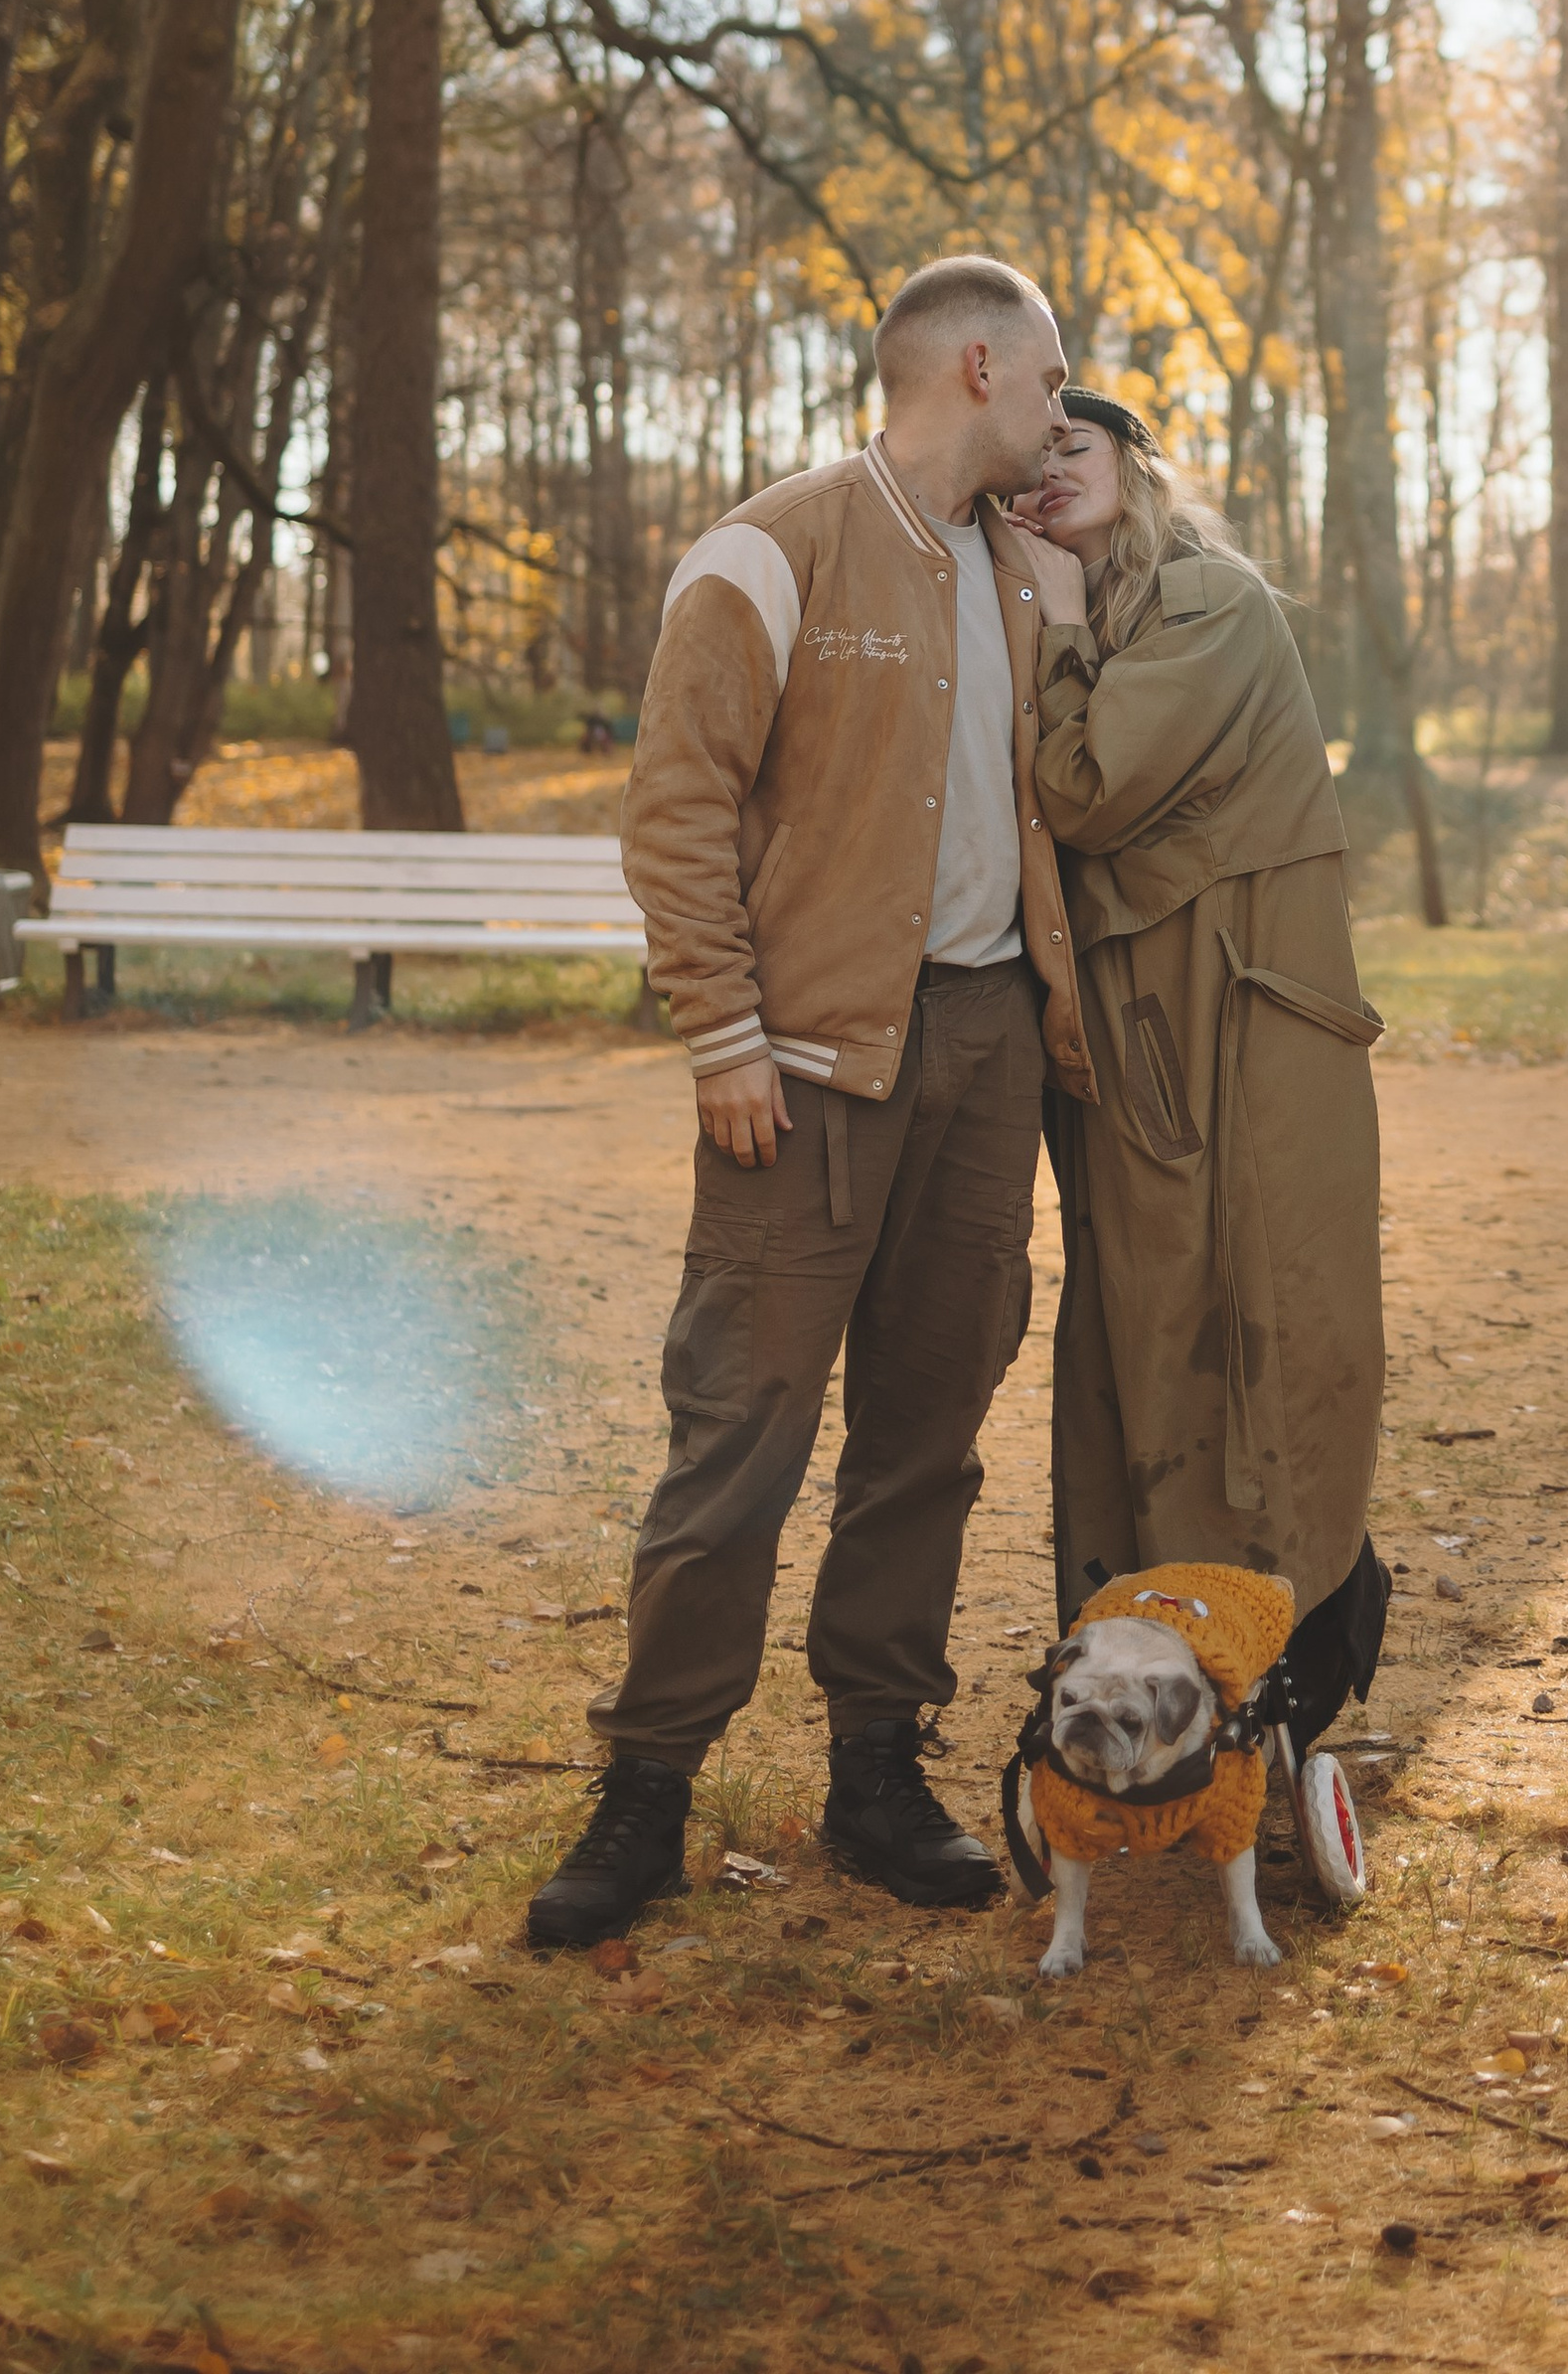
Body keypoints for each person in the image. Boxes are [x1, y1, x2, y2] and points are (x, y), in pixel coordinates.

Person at [524, 257, 1093, 1948]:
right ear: (978, 365)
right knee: (742, 1436)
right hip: (806, 1069)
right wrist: (721, 1033)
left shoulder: (1029, 574)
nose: (1062, 416)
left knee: (927, 1432)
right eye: (1051, 382)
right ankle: (644, 1791)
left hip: (986, 1063)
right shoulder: (771, 546)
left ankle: (874, 1771)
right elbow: (676, 800)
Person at [1014, 390, 1390, 1750]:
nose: (1050, 469)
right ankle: (1153, 1654)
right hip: (1139, 1030)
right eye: (1033, 451)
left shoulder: (1209, 599)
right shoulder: (1072, 604)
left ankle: (1300, 1621)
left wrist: (1055, 623)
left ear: (1133, 463)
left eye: (1079, 445)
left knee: (1256, 1319)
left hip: (1237, 1020)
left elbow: (1086, 789)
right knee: (1141, 1328)